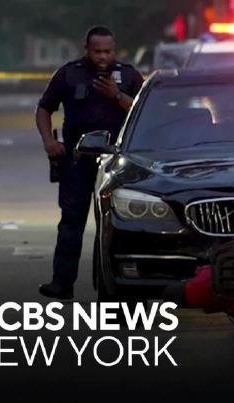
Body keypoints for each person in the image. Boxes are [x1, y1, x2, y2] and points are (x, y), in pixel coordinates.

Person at [36, 26, 144, 299]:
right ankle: (62, 283)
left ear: (114, 50)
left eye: (107, 51)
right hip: (77, 160)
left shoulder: (128, 75)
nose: (102, 57)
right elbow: (44, 108)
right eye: (97, 51)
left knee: (115, 226)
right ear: (86, 49)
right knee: (71, 223)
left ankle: (112, 288)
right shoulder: (69, 73)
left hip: (116, 164)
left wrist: (116, 95)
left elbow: (143, 111)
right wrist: (49, 141)